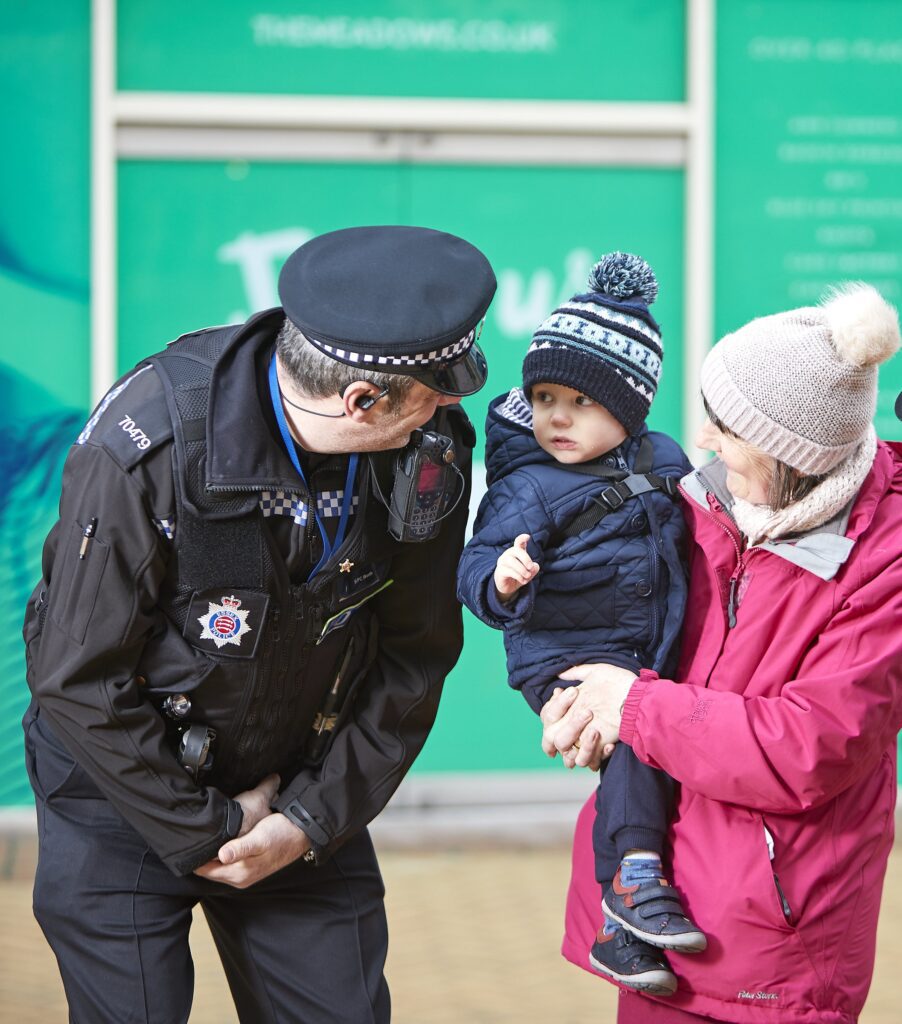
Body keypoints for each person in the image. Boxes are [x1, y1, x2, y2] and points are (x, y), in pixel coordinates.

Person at [21, 224, 496, 1023]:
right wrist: (207, 827)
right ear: (361, 399)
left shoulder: (427, 450)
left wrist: (307, 822)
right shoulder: (149, 444)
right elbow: (76, 676)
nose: (449, 408)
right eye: (435, 392)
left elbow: (415, 656)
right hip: (122, 790)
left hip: (295, 788)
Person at [540, 281, 902, 1023]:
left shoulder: (885, 560)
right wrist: (573, 702)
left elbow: (809, 747)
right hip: (646, 918)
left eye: (727, 426)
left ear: (793, 457)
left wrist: (631, 705)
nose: (703, 438)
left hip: (771, 949)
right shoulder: (701, 502)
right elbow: (621, 633)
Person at [457, 252, 703, 995]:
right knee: (632, 732)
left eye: (579, 402)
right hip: (561, 653)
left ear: (628, 406)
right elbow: (473, 568)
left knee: (656, 743)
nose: (556, 417)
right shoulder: (530, 486)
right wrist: (501, 580)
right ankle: (632, 879)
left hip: (642, 647)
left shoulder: (665, 458)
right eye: (544, 397)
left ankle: (617, 934)